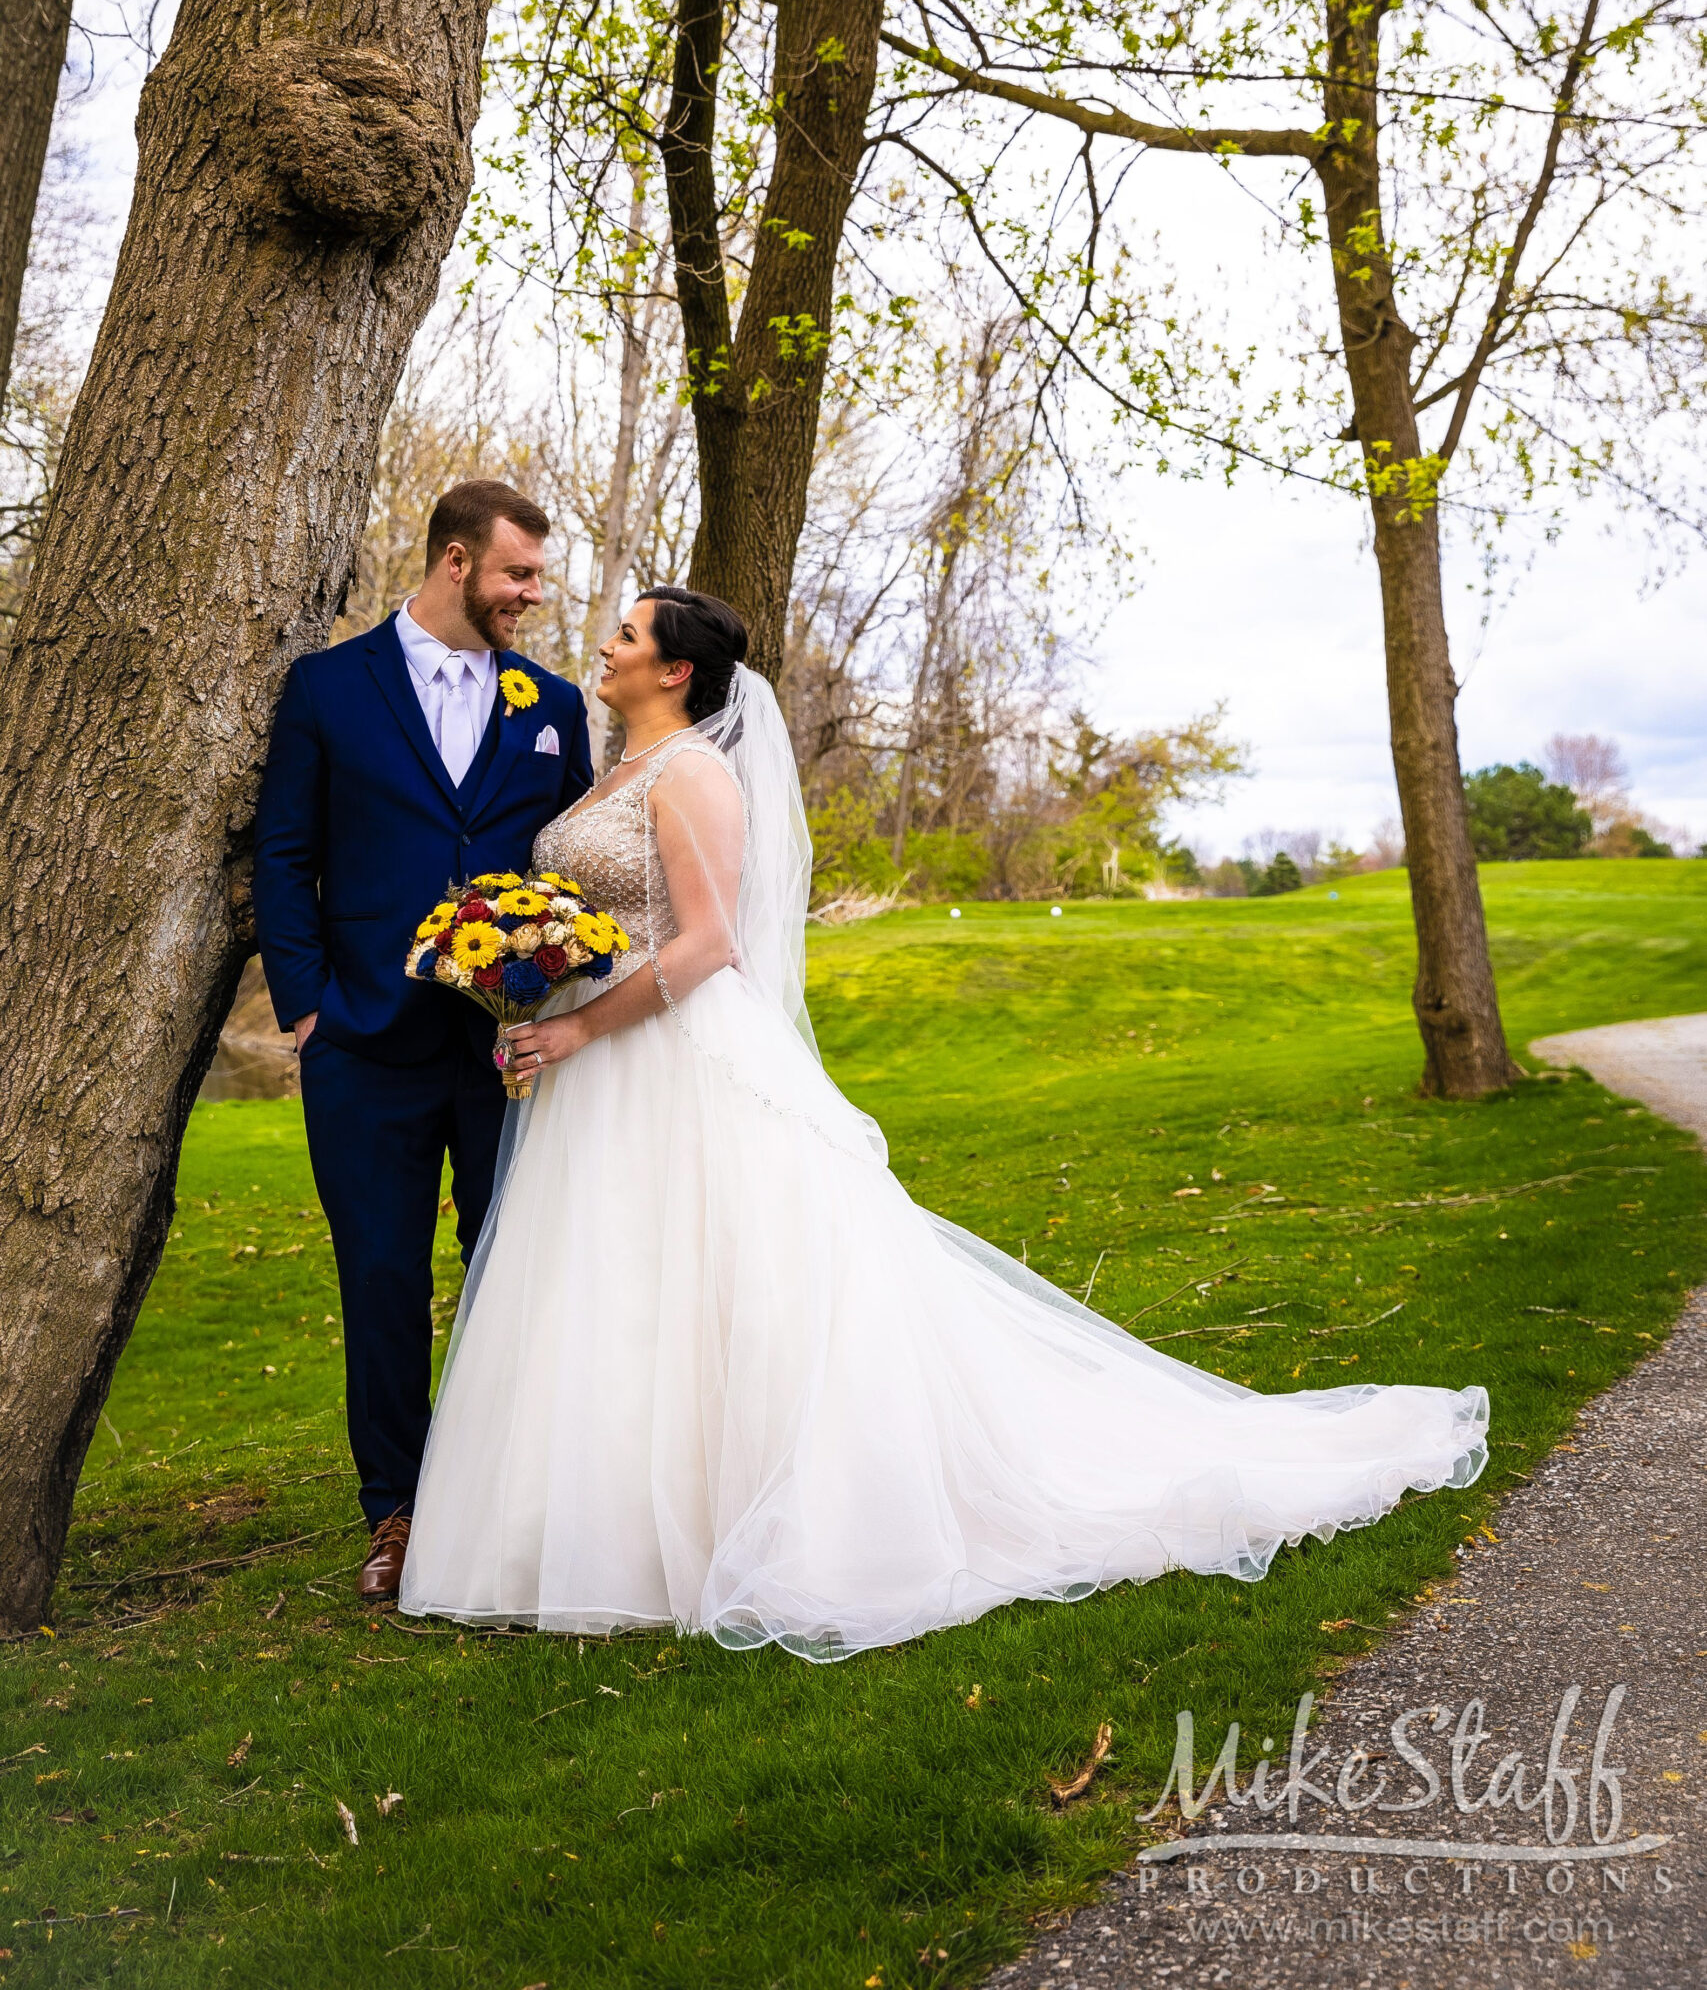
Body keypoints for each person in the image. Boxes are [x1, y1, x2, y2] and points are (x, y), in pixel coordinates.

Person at [400, 587, 1486, 1655]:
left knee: (713, 1281)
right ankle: (596, 1532)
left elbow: (708, 942)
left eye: (628, 634)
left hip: (667, 1052)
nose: (609, 641)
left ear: (675, 669)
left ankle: (720, 1529)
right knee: (617, 1289)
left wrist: (588, 1030)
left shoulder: (693, 772)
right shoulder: (619, 770)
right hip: (598, 1060)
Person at [253, 481, 592, 1599]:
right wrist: (308, 1006)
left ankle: (502, 1501)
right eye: (518, 576)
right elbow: (283, 857)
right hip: (363, 1042)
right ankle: (395, 1512)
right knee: (384, 1279)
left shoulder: (554, 703)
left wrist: (554, 986)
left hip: (509, 1050)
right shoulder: (327, 689)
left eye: (536, 577)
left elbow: (575, 868)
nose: (532, 597)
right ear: (456, 562)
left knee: (511, 1273)